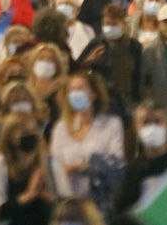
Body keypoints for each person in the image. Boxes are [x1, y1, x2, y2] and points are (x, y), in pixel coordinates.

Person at [48, 73, 124, 215]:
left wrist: (79, 167)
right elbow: (56, 167)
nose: (76, 93)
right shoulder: (60, 128)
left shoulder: (112, 124)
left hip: (101, 203)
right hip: (69, 204)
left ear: (93, 93)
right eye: (72, 90)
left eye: (81, 88)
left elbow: (116, 164)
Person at [0, 112, 56, 225]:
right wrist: (27, 196)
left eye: (34, 130)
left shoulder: (47, 161)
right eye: (25, 132)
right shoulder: (1, 162)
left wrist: (45, 196)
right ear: (11, 136)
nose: (31, 135)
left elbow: (65, 206)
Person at [114, 102, 167, 212]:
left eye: (157, 122)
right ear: (136, 129)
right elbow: (121, 212)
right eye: (145, 123)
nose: (152, 128)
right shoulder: (131, 171)